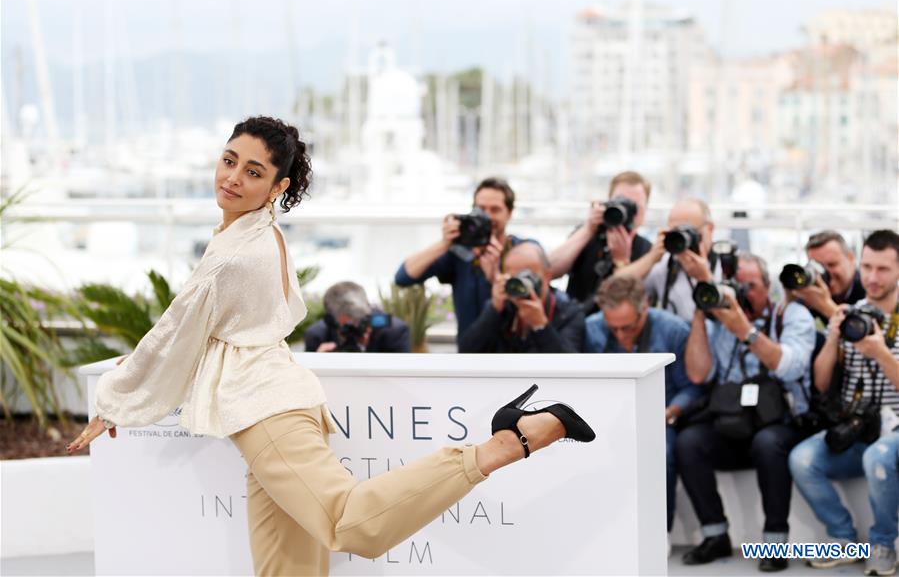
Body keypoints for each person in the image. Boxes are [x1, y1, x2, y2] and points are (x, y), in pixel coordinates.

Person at [66, 116, 595, 577]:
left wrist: (115, 399)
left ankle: (504, 443)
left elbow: (178, 329)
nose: (232, 177)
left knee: (350, 523)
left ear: (278, 186)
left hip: (267, 412)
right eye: (229, 161)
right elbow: (197, 328)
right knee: (287, 570)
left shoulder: (236, 251)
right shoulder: (252, 233)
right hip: (272, 403)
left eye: (253, 172)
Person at [679, 253, 816, 572]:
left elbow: (790, 366)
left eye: (750, 286)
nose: (742, 293)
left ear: (768, 287)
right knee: (689, 442)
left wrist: (746, 330)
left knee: (768, 444)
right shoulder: (719, 322)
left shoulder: (791, 315)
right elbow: (698, 374)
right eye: (736, 286)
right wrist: (702, 312)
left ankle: (774, 542)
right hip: (732, 422)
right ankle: (715, 535)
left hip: (779, 423)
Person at [788, 230, 899, 575]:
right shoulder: (852, 314)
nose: (871, 277)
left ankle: (883, 543)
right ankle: (843, 539)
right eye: (866, 267)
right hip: (857, 425)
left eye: (882, 269)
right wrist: (834, 336)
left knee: (878, 457)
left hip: (894, 431)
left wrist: (881, 353)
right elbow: (821, 382)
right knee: (802, 459)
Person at [584, 275, 702, 542]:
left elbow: (693, 387)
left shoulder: (673, 330)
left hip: (660, 418)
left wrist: (670, 412)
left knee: (662, 454)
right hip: (606, 419)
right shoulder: (591, 329)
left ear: (644, 308)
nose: (621, 335)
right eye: (613, 329)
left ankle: (659, 534)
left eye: (628, 327)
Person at [394, 177, 527, 342]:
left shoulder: (523, 252)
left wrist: (495, 275)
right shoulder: (459, 253)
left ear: (510, 213)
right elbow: (403, 277)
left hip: (512, 354)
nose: (487, 216)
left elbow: (527, 305)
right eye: (481, 209)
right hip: (468, 354)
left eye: (495, 209)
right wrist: (444, 243)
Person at [549, 171, 654, 312]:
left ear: (645, 211)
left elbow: (633, 303)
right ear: (608, 202)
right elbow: (548, 270)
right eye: (620, 203)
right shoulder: (587, 235)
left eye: (634, 207)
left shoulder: (647, 250)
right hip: (577, 318)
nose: (626, 212)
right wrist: (588, 229)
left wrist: (622, 261)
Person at [458, 241, 585, 353]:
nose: (521, 285)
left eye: (528, 277)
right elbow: (466, 351)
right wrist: (494, 311)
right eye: (515, 278)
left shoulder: (568, 313)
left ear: (547, 276)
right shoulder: (503, 307)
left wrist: (541, 325)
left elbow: (568, 367)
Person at [614, 198, 721, 322]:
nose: (684, 239)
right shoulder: (666, 264)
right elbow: (615, 289)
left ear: (710, 229)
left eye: (689, 231)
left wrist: (705, 278)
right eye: (676, 232)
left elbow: (727, 320)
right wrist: (652, 257)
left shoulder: (725, 264)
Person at [304, 281, 410, 353]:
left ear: (368, 310)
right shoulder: (317, 336)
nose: (354, 330)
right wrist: (318, 363)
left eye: (360, 321)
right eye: (347, 327)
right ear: (331, 321)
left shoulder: (394, 331)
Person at [792, 230, 866, 324]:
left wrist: (826, 307)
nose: (825, 272)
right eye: (817, 267)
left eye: (832, 265)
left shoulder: (868, 287)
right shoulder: (816, 289)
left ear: (851, 258)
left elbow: (860, 331)